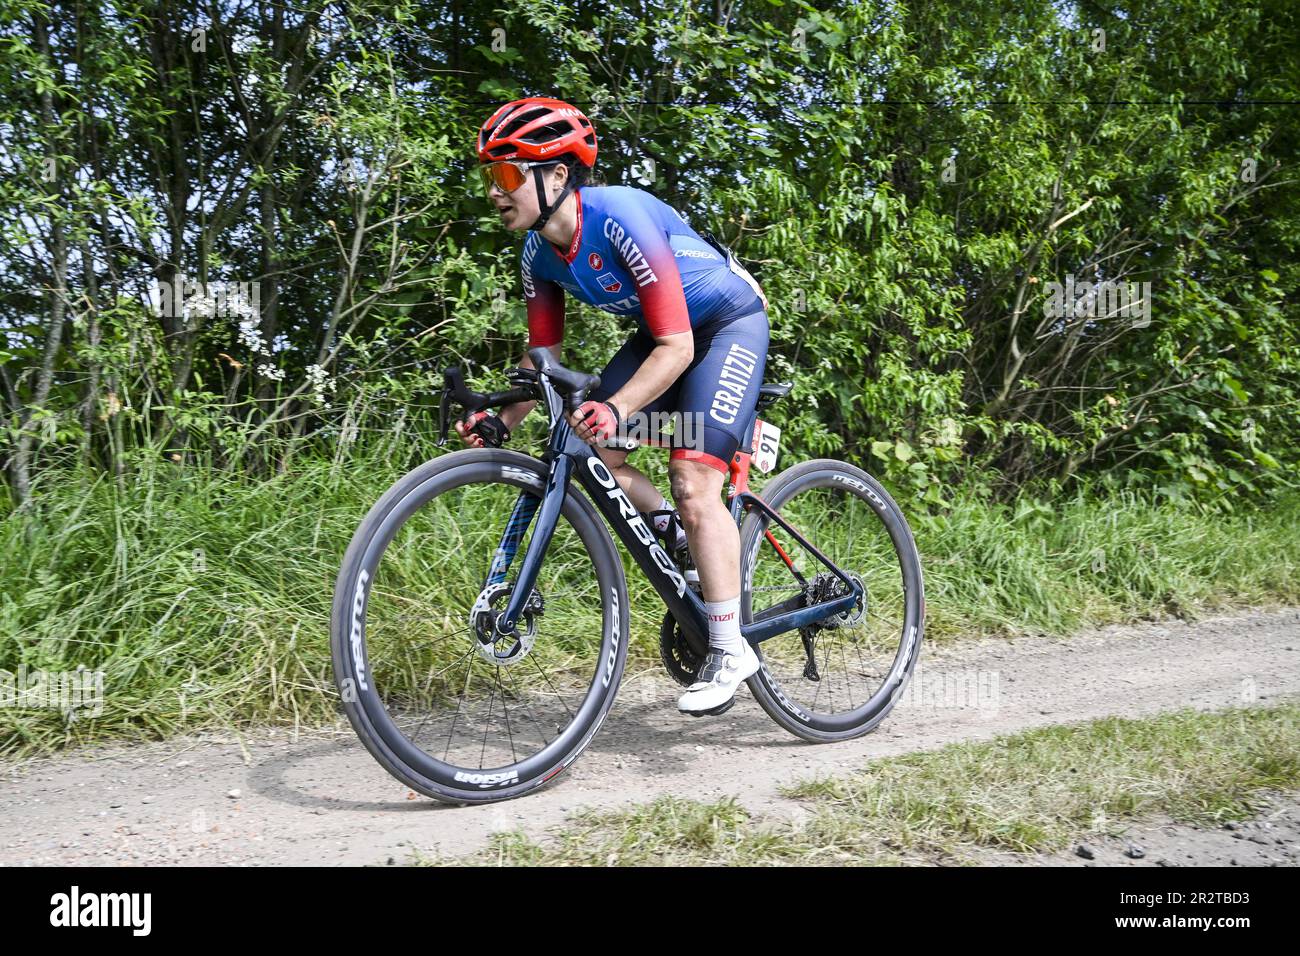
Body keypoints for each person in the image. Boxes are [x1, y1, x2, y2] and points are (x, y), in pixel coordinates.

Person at [457, 96, 771, 715]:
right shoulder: (537, 254)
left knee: (691, 475)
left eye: (506, 175)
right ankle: (683, 539)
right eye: (490, 177)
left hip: (726, 324)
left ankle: (731, 647)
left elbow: (678, 346)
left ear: (556, 175)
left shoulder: (620, 216)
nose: (495, 192)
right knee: (593, 444)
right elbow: (540, 360)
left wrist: (619, 405)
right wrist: (503, 417)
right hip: (664, 336)